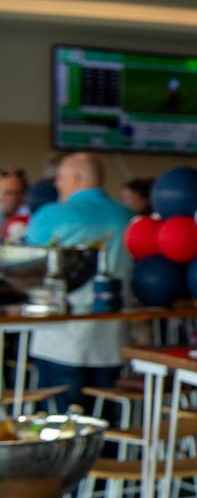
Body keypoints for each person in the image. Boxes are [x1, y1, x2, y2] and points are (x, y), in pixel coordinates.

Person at [24, 152, 134, 412]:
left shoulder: (51, 214)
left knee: (60, 429)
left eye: (60, 177)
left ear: (77, 177)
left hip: (60, 338)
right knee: (106, 426)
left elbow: (26, 268)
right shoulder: (128, 216)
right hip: (112, 339)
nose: (56, 184)